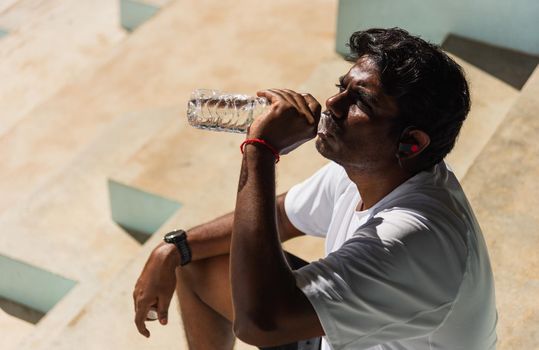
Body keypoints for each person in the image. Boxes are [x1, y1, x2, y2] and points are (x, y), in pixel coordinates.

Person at [133, 28, 497, 350]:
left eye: (362, 101)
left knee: (260, 302)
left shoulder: (413, 239)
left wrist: (259, 152)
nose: (334, 104)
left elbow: (260, 323)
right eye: (342, 88)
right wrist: (175, 247)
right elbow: (281, 216)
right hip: (340, 333)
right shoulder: (369, 169)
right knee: (197, 261)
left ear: (411, 143)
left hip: (303, 323)